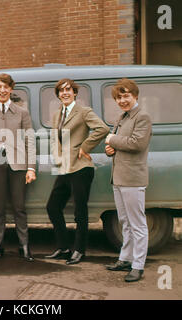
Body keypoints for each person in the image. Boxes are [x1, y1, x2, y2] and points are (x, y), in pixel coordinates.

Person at [45, 78, 109, 265]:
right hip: (64, 168)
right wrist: (56, 157)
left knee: (80, 211)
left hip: (81, 168)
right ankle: (64, 247)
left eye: (68, 90)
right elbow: (54, 138)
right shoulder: (57, 114)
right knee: (53, 207)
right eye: (61, 91)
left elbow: (102, 129)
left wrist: (85, 147)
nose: (65, 93)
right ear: (58, 95)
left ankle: (79, 250)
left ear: (74, 93)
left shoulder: (83, 112)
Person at [0, 73, 36, 262]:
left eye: (5, 87)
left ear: (11, 89)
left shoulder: (22, 112)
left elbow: (30, 139)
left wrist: (31, 167)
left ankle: (24, 247)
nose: (2, 90)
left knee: (19, 207)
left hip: (18, 163)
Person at [105, 78, 152, 282]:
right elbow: (117, 145)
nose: (122, 100)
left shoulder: (142, 117)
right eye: (119, 97)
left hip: (133, 178)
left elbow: (136, 144)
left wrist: (111, 140)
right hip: (119, 177)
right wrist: (109, 150)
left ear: (135, 96)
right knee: (124, 222)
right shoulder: (122, 117)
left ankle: (138, 265)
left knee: (137, 223)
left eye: (126, 96)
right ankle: (125, 258)